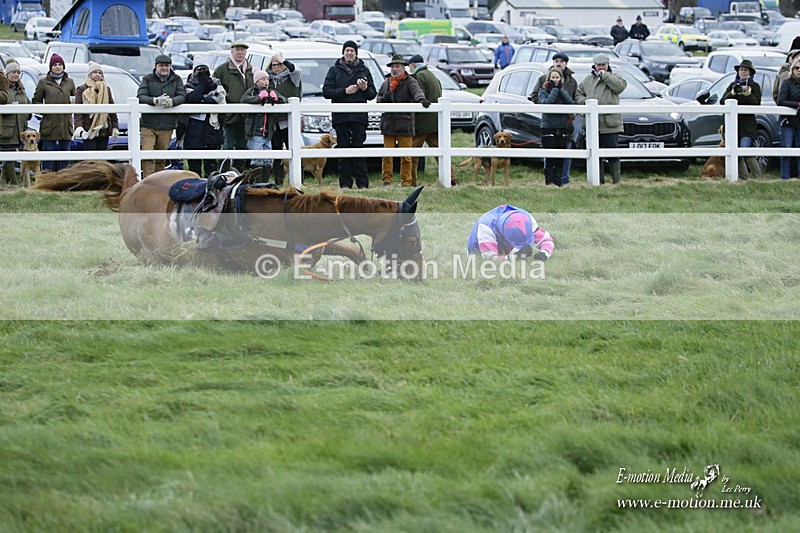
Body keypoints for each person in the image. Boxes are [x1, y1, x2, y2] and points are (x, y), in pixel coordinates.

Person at [322, 40, 377, 189]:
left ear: (356, 53)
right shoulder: (334, 70)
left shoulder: (364, 70)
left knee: (359, 149)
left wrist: (365, 88)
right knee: (343, 150)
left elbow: (372, 95)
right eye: (347, 50)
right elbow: (326, 91)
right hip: (341, 118)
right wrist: (344, 91)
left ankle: (363, 184)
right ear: (343, 52)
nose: (349, 53)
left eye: (352, 50)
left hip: (359, 118)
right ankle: (345, 184)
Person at [376, 54, 429, 187]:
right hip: (388, 123)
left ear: (403, 68)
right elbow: (379, 97)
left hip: (404, 124)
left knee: (406, 156)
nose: (394, 69)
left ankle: (406, 181)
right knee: (387, 154)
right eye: (393, 66)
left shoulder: (410, 81)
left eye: (397, 66)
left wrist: (421, 100)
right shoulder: (386, 82)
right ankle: (386, 180)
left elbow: (417, 91)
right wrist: (383, 100)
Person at [576, 53, 626, 184]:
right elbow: (578, 94)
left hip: (610, 124)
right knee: (595, 155)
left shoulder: (615, 77)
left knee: (612, 153)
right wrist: (585, 102)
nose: (601, 67)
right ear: (594, 65)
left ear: (608, 64)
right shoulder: (588, 80)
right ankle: (599, 181)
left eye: (603, 65)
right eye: (599, 65)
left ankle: (616, 182)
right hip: (593, 125)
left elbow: (620, 87)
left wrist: (606, 76)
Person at [408, 54, 457, 187]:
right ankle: (452, 178)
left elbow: (417, 96)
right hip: (435, 121)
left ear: (413, 64)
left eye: (409, 66)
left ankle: (411, 180)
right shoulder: (432, 75)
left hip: (423, 122)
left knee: (413, 153)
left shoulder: (418, 77)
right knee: (441, 153)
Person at [529, 52, 577, 185]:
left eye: (562, 61)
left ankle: (563, 180)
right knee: (550, 154)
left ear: (566, 63)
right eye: (556, 60)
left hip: (566, 123)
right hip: (549, 122)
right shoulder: (542, 79)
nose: (559, 63)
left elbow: (573, 99)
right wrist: (544, 106)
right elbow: (536, 97)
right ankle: (549, 182)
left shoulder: (572, 81)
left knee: (565, 153)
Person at [137, 54, 186, 178]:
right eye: (161, 66)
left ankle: (158, 181)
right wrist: (155, 100)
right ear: (156, 66)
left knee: (161, 157)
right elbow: (140, 96)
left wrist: (172, 101)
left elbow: (182, 95)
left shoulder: (176, 79)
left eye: (167, 65)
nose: (164, 68)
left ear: (170, 66)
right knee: (147, 155)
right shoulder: (147, 79)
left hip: (167, 124)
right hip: (148, 124)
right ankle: (147, 181)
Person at [180, 61, 226, 178]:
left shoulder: (216, 82)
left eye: (204, 70)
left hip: (211, 124)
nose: (202, 73)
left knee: (210, 161)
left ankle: (211, 185)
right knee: (194, 160)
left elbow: (219, 97)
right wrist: (201, 85)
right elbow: (192, 98)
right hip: (193, 126)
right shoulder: (189, 84)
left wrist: (202, 100)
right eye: (199, 70)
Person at [213, 42, 254, 171]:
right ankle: (223, 174)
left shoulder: (251, 70)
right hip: (228, 116)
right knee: (227, 146)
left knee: (243, 146)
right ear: (232, 51)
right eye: (237, 50)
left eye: (242, 50)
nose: (240, 52)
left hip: (246, 116)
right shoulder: (222, 69)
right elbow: (215, 89)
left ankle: (239, 173)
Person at [32, 53, 76, 172]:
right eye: (55, 64)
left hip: (65, 125)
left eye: (60, 64)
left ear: (63, 66)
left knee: (65, 156)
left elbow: (75, 100)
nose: (57, 67)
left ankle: (64, 181)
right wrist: (44, 110)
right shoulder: (43, 82)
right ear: (51, 67)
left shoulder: (70, 82)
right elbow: (36, 101)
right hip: (49, 125)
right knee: (48, 156)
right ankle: (45, 180)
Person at [467, 205, 555, 262]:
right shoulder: (486, 227)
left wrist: (545, 252)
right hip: (479, 252)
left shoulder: (526, 218)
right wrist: (514, 257)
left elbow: (547, 239)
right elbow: (489, 259)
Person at [721, 59, 762, 180]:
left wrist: (748, 94)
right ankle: (744, 179)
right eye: (741, 70)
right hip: (734, 125)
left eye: (746, 70)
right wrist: (733, 93)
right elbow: (722, 101)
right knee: (736, 154)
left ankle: (758, 178)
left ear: (750, 73)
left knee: (745, 150)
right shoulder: (733, 85)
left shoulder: (755, 86)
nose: (743, 72)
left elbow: (756, 104)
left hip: (747, 124)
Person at [241, 68, 284, 182]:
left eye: (267, 79)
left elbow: (284, 100)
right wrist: (258, 98)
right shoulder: (251, 91)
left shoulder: (271, 91)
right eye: (263, 79)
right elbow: (244, 100)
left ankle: (264, 182)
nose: (266, 82)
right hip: (255, 132)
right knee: (257, 159)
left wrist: (276, 98)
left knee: (268, 159)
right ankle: (255, 182)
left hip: (267, 133)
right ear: (256, 81)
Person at [267, 51, 301, 185]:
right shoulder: (267, 79)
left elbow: (294, 69)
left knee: (293, 149)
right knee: (276, 152)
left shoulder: (292, 77)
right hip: (273, 121)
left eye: (279, 64)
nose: (276, 67)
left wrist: (283, 60)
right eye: (274, 65)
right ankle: (278, 180)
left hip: (288, 121)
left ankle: (297, 178)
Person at [538, 66, 575, 187]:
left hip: (562, 127)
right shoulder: (542, 91)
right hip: (548, 127)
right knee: (550, 158)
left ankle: (558, 182)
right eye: (553, 77)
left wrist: (560, 90)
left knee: (560, 158)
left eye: (557, 77)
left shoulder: (563, 91)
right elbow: (546, 103)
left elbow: (571, 103)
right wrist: (555, 89)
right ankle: (549, 183)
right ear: (549, 78)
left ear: (561, 78)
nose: (555, 79)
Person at [73, 61, 119, 152]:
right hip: (88, 129)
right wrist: (79, 127)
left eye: (100, 73)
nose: (97, 75)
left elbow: (112, 109)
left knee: (102, 158)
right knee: (91, 157)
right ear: (89, 74)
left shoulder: (106, 89)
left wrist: (115, 126)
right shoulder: (81, 89)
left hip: (104, 129)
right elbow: (77, 111)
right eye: (94, 72)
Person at [0, 61, 30, 185]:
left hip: (20, 130)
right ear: (7, 74)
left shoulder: (21, 90)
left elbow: (28, 104)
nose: (16, 75)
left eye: (18, 72)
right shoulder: (5, 89)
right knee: (8, 160)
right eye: (13, 72)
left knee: (11, 159)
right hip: (7, 131)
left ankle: (4, 183)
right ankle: (12, 184)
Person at [776, 58, 800, 180]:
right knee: (786, 149)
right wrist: (797, 105)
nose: (799, 70)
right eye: (797, 68)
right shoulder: (786, 82)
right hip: (788, 121)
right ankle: (785, 177)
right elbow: (781, 100)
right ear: (793, 69)